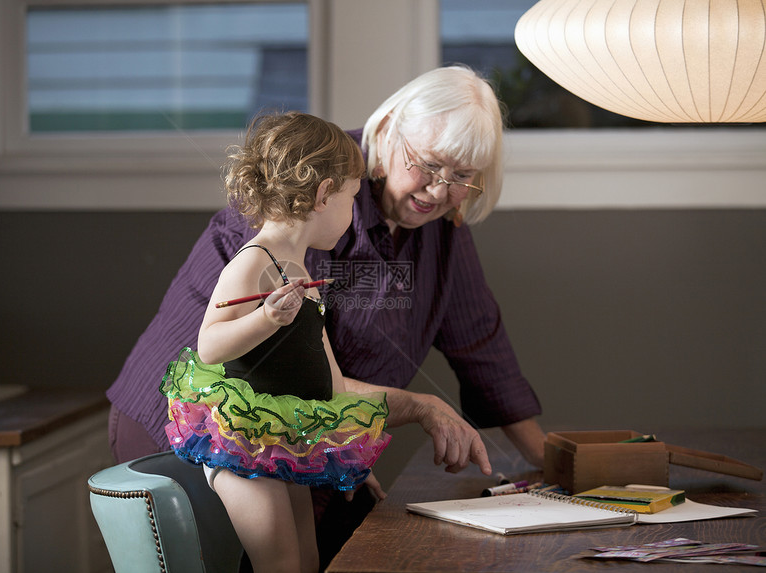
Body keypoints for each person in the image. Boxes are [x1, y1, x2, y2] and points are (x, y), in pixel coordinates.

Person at [107, 65, 545, 568]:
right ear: (386, 132)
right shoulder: (308, 179)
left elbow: (481, 345)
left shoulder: (440, 223)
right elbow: (243, 361)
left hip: (294, 423)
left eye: (462, 176)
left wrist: (551, 461)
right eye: (427, 164)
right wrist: (374, 420)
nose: (438, 191)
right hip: (197, 424)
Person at [160, 111, 389, 573]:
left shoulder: (297, 267)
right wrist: (265, 318)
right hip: (241, 440)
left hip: (284, 438)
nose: (353, 212)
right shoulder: (252, 260)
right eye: (351, 198)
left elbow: (326, 372)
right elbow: (209, 346)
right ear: (324, 194)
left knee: (306, 560)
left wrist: (351, 456)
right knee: (280, 564)